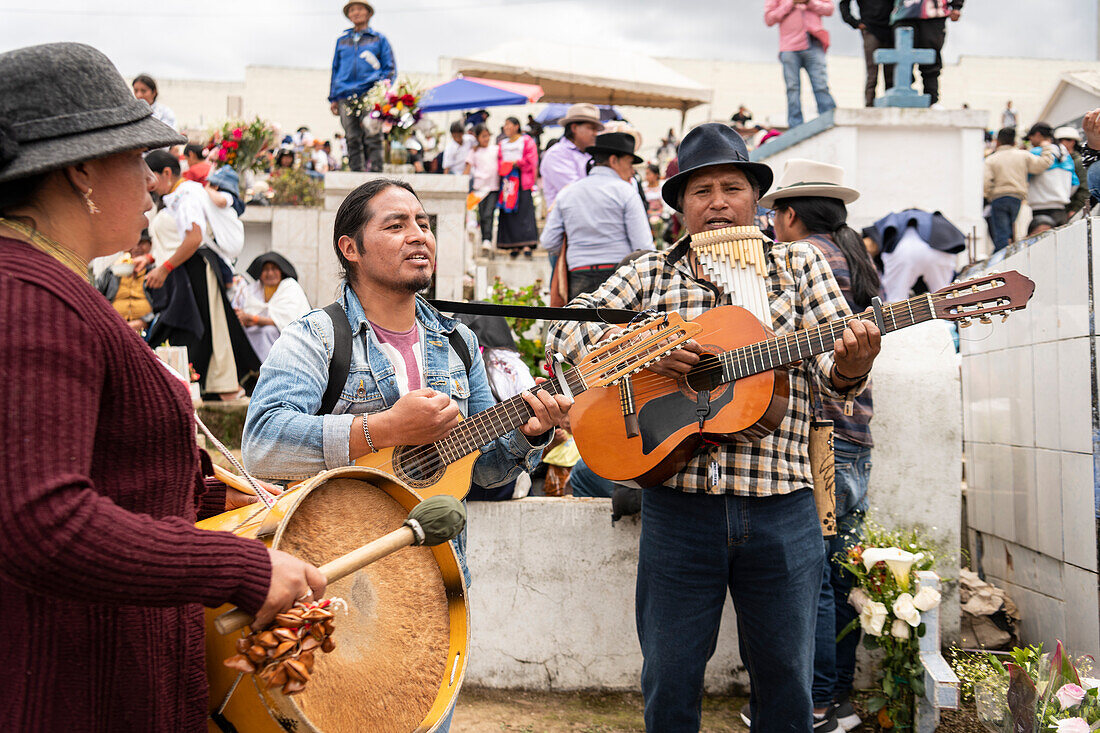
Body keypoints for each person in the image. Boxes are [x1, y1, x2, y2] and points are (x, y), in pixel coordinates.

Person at [0, 41, 324, 731]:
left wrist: (218, 497)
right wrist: (239, 566)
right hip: (72, 688)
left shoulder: (50, 284)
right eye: (137, 159)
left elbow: (106, 472)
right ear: (82, 168)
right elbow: (42, 522)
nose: (151, 182)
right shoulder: (32, 294)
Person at [546, 123, 881, 732]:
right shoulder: (649, 273)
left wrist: (854, 363)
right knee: (669, 676)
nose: (718, 202)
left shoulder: (800, 265)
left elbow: (836, 365)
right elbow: (564, 331)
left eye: (732, 187)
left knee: (787, 678)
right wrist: (641, 348)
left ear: (757, 200)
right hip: (680, 508)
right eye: (701, 191)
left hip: (782, 505)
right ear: (680, 208)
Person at [241, 178, 571, 730]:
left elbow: (482, 468)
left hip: (433, 578)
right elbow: (263, 445)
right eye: (395, 225)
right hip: (334, 577)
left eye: (423, 223)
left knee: (420, 715)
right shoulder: (318, 338)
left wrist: (531, 435)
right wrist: (384, 428)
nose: (418, 236)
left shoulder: (460, 343)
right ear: (351, 248)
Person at [757, 159, 881, 732]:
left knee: (814, 578)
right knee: (839, 574)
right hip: (856, 437)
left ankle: (818, 702)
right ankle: (838, 699)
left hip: (822, 438)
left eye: (774, 214)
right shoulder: (855, 255)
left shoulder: (809, 260)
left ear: (788, 215)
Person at [144, 150, 259, 399]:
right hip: (182, 270)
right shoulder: (177, 196)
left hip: (192, 269)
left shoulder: (187, 195)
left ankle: (223, 386)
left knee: (203, 327)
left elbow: (194, 238)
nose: (147, 183)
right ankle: (212, 385)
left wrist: (165, 268)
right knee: (201, 327)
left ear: (166, 173)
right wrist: (153, 260)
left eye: (149, 176)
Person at [540, 132, 653, 300]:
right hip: (619, 276)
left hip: (578, 274)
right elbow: (643, 247)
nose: (632, 171)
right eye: (629, 164)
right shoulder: (626, 192)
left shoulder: (567, 193)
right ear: (614, 160)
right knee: (617, 327)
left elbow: (548, 241)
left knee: (582, 325)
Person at [329, 1, 396, 172]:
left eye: (359, 9)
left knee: (373, 134)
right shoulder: (342, 41)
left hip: (370, 92)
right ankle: (356, 175)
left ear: (368, 13)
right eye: (352, 10)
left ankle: (376, 175)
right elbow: (335, 70)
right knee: (351, 137)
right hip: (345, 93)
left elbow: (389, 68)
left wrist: (381, 90)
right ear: (348, 15)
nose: (356, 13)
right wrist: (333, 97)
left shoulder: (378, 39)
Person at [765, 0, 837, 129]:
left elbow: (829, 9)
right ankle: (795, 126)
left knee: (820, 84)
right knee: (792, 88)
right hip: (789, 46)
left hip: (814, 42)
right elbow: (769, 18)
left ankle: (829, 119)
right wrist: (791, 3)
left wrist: (809, 2)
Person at [984, 127, 1056, 252]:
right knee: (1017, 232)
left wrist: (989, 196)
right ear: (1014, 142)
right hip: (1018, 198)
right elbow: (1042, 165)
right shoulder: (1023, 155)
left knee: (1002, 234)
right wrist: (1047, 147)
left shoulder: (991, 159)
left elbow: (985, 183)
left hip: (998, 198)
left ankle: (1002, 261)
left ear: (998, 142)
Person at [871, 208, 964, 301]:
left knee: (896, 301)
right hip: (939, 248)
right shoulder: (935, 219)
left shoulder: (896, 218)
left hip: (903, 251)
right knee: (944, 297)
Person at [233, 252, 312, 362]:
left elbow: (289, 320)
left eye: (274, 269)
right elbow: (242, 310)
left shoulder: (290, 287)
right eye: (265, 269)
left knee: (268, 331)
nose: (270, 273)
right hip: (253, 347)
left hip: (288, 342)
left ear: (281, 271)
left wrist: (254, 319)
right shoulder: (252, 289)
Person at [889, 0, 964, 107]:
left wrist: (956, 6)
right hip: (903, 14)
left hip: (934, 15)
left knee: (931, 59)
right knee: (902, 62)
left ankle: (932, 100)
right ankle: (903, 98)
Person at [539, 103, 605, 211]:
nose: (595, 134)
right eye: (591, 128)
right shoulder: (557, 154)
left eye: (596, 130)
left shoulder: (587, 154)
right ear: (574, 128)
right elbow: (577, 192)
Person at [96, 228, 156, 333]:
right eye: (132, 243)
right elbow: (96, 299)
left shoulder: (155, 273)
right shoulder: (111, 272)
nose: (136, 248)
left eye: (142, 243)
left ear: (150, 245)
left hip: (149, 330)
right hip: (114, 329)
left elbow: (163, 306)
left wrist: (145, 321)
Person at [496, 116, 539, 258]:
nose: (506, 128)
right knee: (509, 212)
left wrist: (517, 163)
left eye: (509, 125)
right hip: (507, 181)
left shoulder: (526, 141)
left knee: (524, 211)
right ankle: (512, 243)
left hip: (522, 180)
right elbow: (499, 160)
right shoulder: (502, 143)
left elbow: (531, 159)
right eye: (505, 125)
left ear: (516, 126)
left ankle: (527, 243)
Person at [839, 0, 895, 106]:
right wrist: (855, 23)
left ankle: (890, 105)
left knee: (890, 73)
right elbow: (844, 4)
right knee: (872, 73)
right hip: (870, 30)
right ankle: (869, 106)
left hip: (890, 30)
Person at [1026, 122, 1077, 228]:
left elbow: (1024, 178)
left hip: (1040, 209)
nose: (1030, 142)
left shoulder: (1035, 153)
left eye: (1030, 138)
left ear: (1038, 135)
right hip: (1061, 209)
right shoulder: (1066, 156)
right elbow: (1075, 183)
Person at [464, 124, 500, 253]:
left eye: (487, 136)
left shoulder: (495, 149)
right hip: (479, 188)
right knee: (481, 214)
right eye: (483, 136)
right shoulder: (474, 151)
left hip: (493, 187)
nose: (486, 139)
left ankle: (487, 239)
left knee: (488, 214)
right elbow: (467, 169)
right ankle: (483, 237)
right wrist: (462, 184)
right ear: (477, 137)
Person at [1054, 126, 1089, 217]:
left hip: (1073, 212)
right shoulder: (1059, 161)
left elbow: (1085, 187)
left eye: (1063, 140)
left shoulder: (1078, 162)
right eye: (1058, 141)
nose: (1060, 144)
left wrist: (1075, 209)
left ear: (1072, 142)